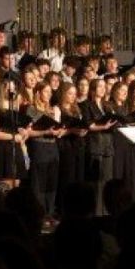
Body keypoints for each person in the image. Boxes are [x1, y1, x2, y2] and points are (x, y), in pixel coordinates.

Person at [25, 82, 66, 217]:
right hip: (39, 146)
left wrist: (59, 131)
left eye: (50, 92)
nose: (49, 94)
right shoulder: (31, 109)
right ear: (38, 93)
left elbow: (55, 129)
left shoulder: (52, 109)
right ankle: (39, 214)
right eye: (46, 91)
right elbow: (28, 132)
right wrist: (45, 132)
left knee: (51, 182)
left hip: (53, 147)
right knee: (39, 182)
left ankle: (49, 212)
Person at [80, 78, 117, 215]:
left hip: (108, 145)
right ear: (93, 89)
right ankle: (96, 212)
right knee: (96, 183)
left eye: (104, 86)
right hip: (95, 146)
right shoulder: (86, 105)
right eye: (99, 86)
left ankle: (106, 212)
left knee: (107, 181)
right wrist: (104, 126)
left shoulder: (107, 105)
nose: (103, 89)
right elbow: (89, 125)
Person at [0, 80, 29, 189]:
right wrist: (13, 136)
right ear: (2, 90)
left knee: (17, 183)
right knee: (6, 184)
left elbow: (15, 127)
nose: (13, 91)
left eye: (14, 89)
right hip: (3, 148)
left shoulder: (15, 108)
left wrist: (22, 131)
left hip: (16, 147)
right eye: (9, 89)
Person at [56, 82, 88, 214]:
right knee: (67, 178)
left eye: (74, 94)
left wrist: (83, 131)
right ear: (63, 94)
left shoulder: (77, 109)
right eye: (70, 93)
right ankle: (64, 210)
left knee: (79, 178)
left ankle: (78, 209)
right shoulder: (58, 109)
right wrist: (71, 130)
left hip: (79, 145)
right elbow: (58, 133)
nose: (73, 96)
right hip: (66, 146)